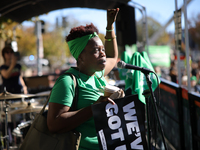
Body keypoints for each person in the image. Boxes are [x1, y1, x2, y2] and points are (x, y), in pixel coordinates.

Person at [47, 8, 125, 150]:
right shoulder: (68, 81)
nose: (102, 53)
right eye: (96, 50)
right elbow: (54, 124)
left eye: (102, 49)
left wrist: (110, 27)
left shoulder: (96, 75)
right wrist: (94, 108)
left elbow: (113, 57)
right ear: (80, 57)